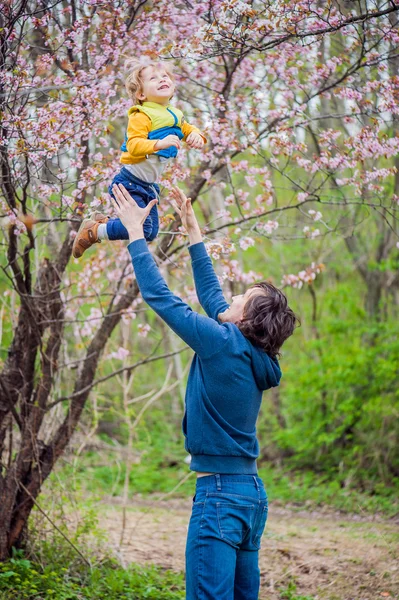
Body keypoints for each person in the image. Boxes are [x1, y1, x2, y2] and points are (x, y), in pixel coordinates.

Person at [110, 183, 299, 600]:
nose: (232, 294)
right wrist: (194, 230)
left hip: (217, 499)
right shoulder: (255, 354)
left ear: (245, 319)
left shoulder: (222, 343)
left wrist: (135, 235)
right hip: (250, 496)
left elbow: (161, 298)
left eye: (242, 297)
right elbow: (214, 298)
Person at [72, 59, 206, 258]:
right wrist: (158, 144)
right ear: (141, 94)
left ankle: (106, 223)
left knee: (150, 233)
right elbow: (134, 146)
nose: (162, 79)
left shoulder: (175, 115)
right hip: (129, 183)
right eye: (153, 78)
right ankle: (94, 231)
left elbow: (189, 129)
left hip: (148, 186)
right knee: (141, 230)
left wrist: (197, 135)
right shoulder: (141, 115)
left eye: (165, 76)